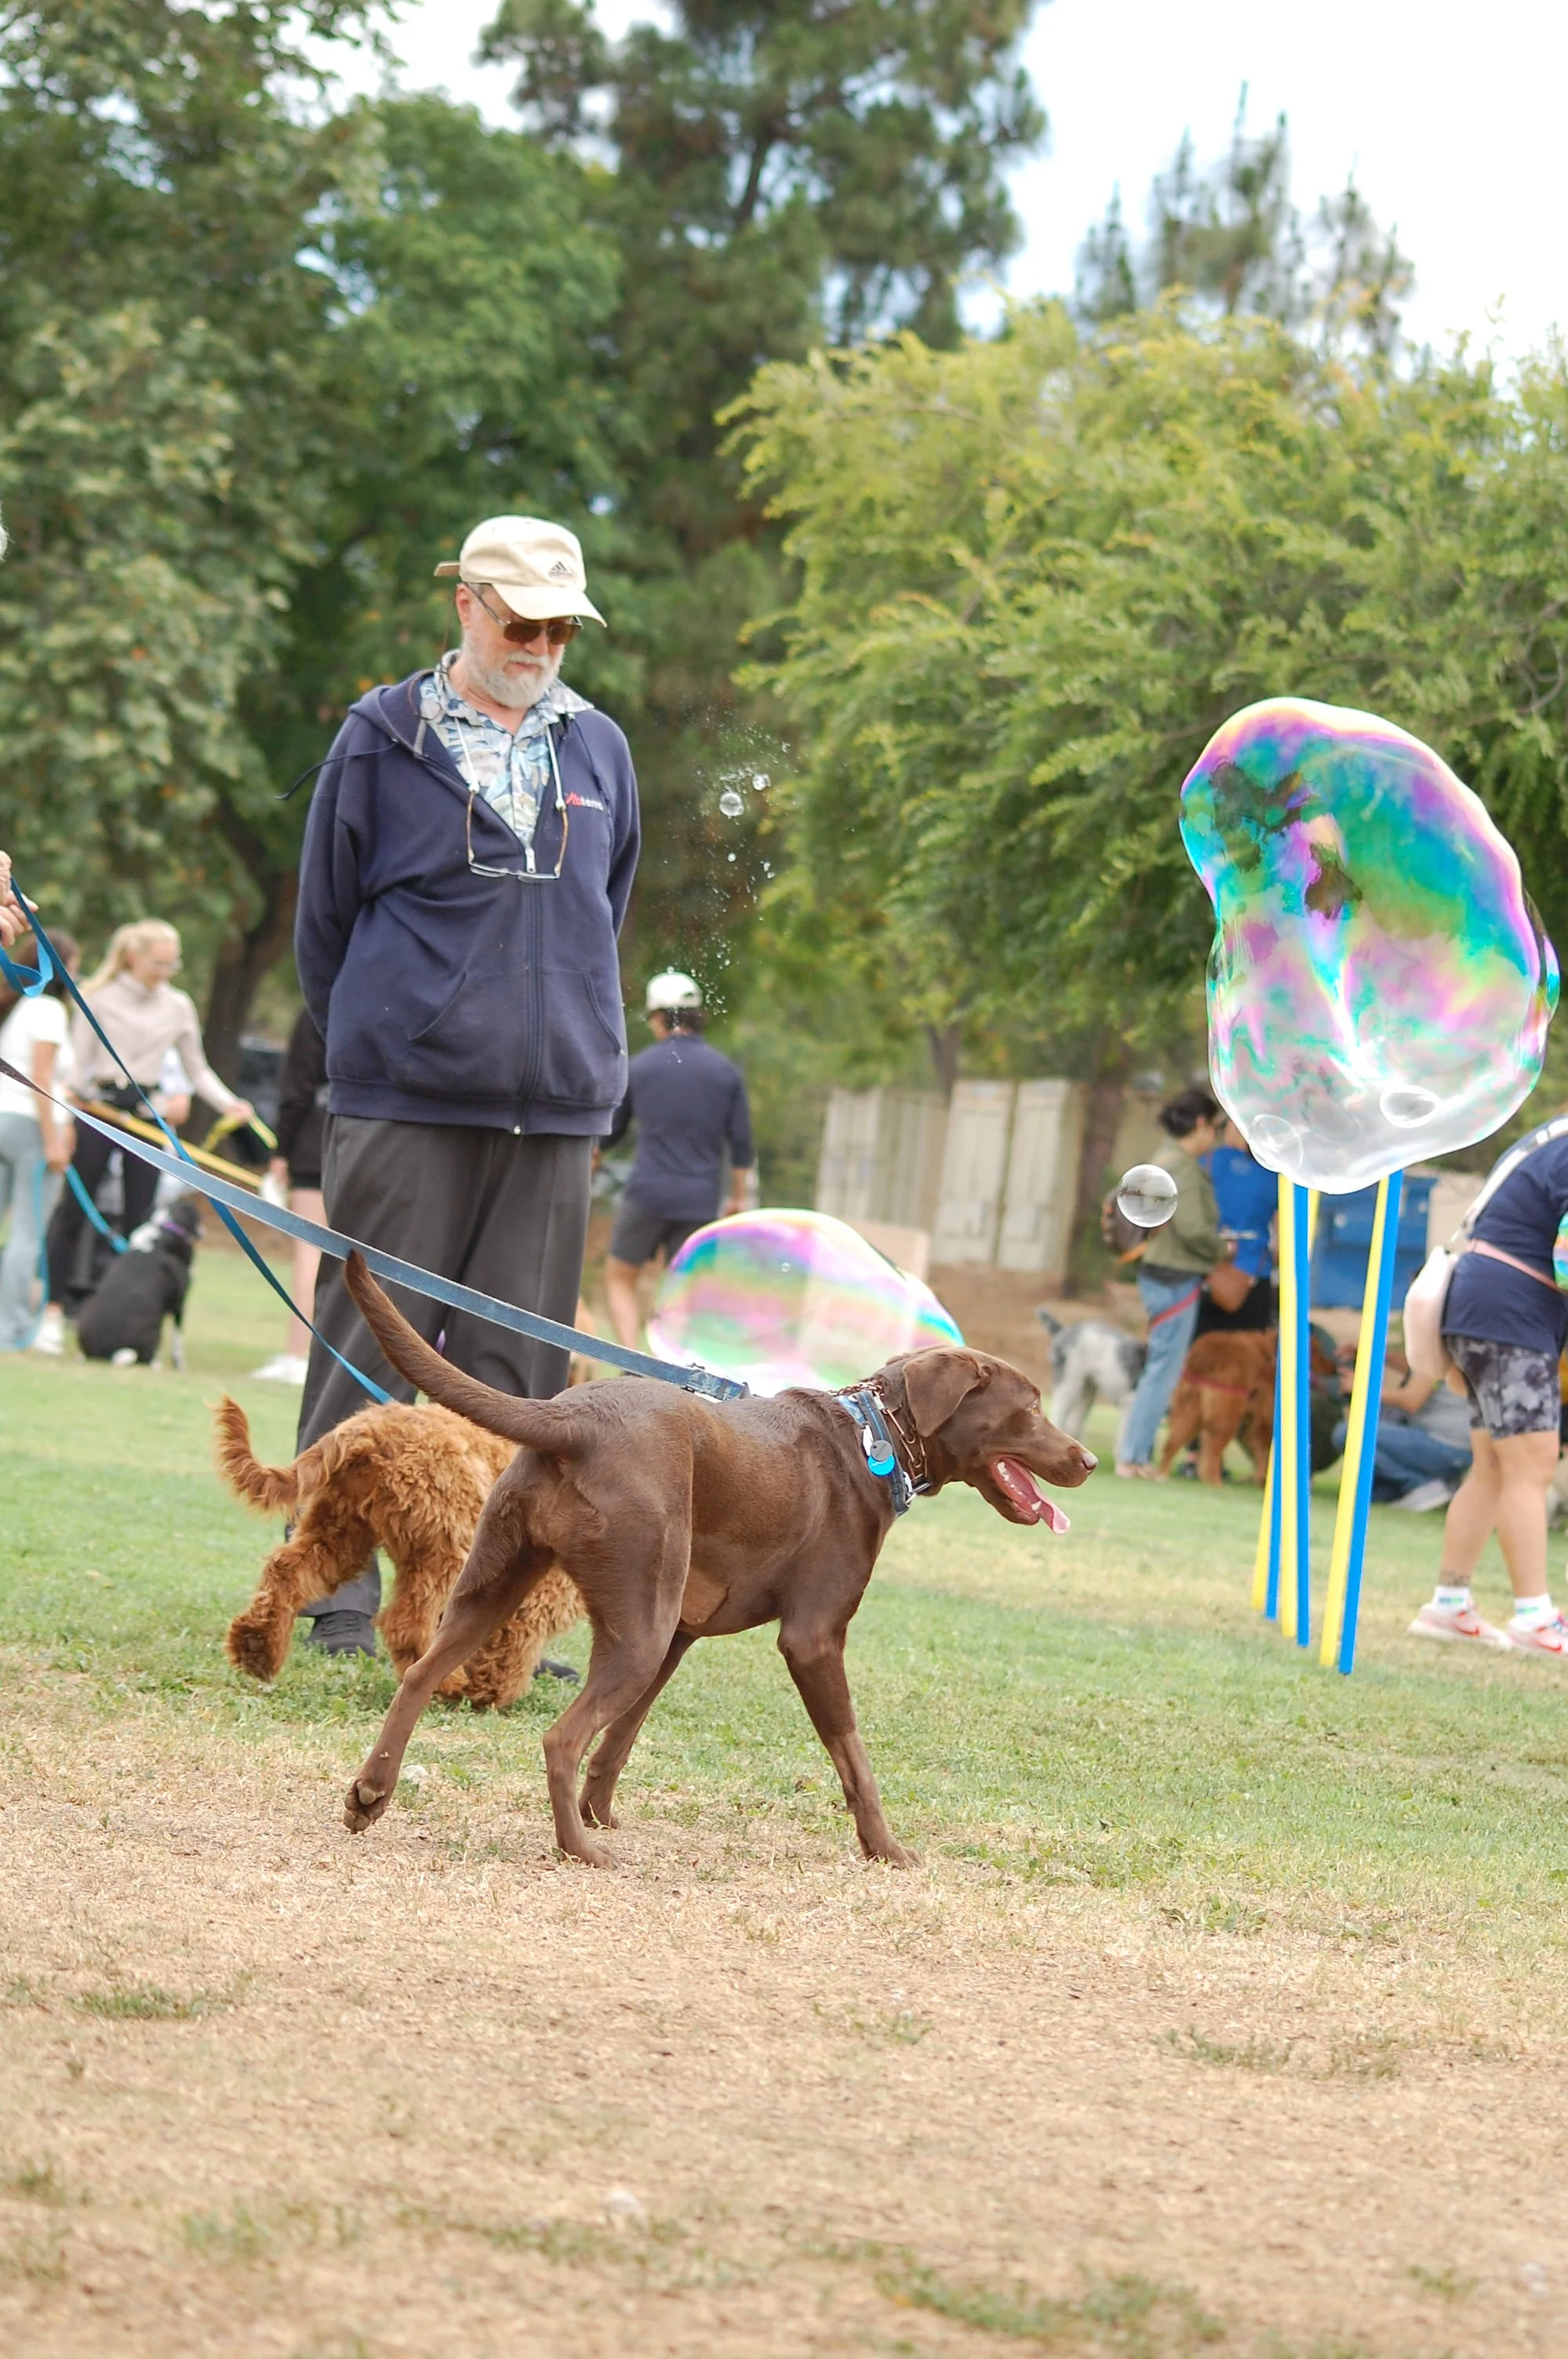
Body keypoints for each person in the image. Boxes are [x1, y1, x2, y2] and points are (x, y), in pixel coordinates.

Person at [292, 513, 638, 1655]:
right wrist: (395, 1038)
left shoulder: (601, 749)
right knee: (371, 1348)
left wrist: (572, 1037)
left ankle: (482, 1623)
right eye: (520, 619)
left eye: (559, 627)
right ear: (466, 605)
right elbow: (324, 929)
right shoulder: (379, 738)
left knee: (519, 1382)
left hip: (556, 1111)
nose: (539, 643)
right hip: (401, 1098)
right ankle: (334, 1601)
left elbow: (605, 913)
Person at [44, 919, 252, 1334]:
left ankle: (116, 1310)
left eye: (171, 964)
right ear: (133, 957)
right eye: (158, 962)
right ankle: (52, 1310)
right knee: (73, 1212)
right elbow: (78, 1065)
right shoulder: (98, 997)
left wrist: (230, 1103)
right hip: (98, 1110)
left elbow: (197, 1069)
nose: (164, 972)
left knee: (141, 1219)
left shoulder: (177, 1006)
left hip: (144, 1117)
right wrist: (66, 1117)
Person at [1409, 1122, 1568, 1654]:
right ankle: (1534, 1616)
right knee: (1533, 1465)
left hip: (1484, 1305)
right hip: (1510, 1313)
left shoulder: (1551, 1138)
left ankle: (1450, 1604)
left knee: (1496, 1466)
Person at [602, 970, 753, 1349]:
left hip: (647, 1193)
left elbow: (613, 1131)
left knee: (620, 1276)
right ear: (696, 1015)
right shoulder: (724, 1071)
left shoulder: (640, 1067)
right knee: (682, 1291)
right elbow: (742, 1145)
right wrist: (737, 1198)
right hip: (699, 1201)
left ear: (657, 1017)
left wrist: (591, 1159)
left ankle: (630, 1362)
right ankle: (669, 1365)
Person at [1117, 1087, 1228, 1479]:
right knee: (1163, 1370)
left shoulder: (1163, 1158)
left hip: (1161, 1275)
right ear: (1199, 1125)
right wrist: (1222, 1248)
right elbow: (1194, 1228)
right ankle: (1133, 1457)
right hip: (1175, 1279)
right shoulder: (1180, 1166)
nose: (1215, 1135)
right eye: (1215, 1127)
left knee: (1160, 1367)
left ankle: (1133, 1452)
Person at [0, 930, 80, 1350]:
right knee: (27, 1236)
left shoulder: (16, 1007)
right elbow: (42, 1077)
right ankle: (11, 1329)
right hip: (30, 1126)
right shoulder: (49, 1010)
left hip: (1, 1119)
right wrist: (53, 1139)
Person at [252, 1007, 328, 1385]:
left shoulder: (320, 1005)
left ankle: (298, 1354)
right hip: (379, 1142)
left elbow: (298, 1084)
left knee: (310, 1253)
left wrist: (282, 1149)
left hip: (319, 1140)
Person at [1331, 1347, 1473, 1510]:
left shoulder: (1438, 1349)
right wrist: (1374, 1354)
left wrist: (1362, 1386)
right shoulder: (1451, 1348)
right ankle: (1437, 1486)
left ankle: (1420, 1484)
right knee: (1369, 1493)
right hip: (1454, 1451)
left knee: (1348, 1433)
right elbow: (1415, 1369)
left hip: (1441, 1446)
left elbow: (1411, 1400)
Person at [1195, 1121, 1276, 1333]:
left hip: (1207, 1271)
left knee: (1198, 1352)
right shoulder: (1275, 1173)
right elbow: (1283, 1238)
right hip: (1253, 1274)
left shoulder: (1207, 1162)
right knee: (1248, 1353)